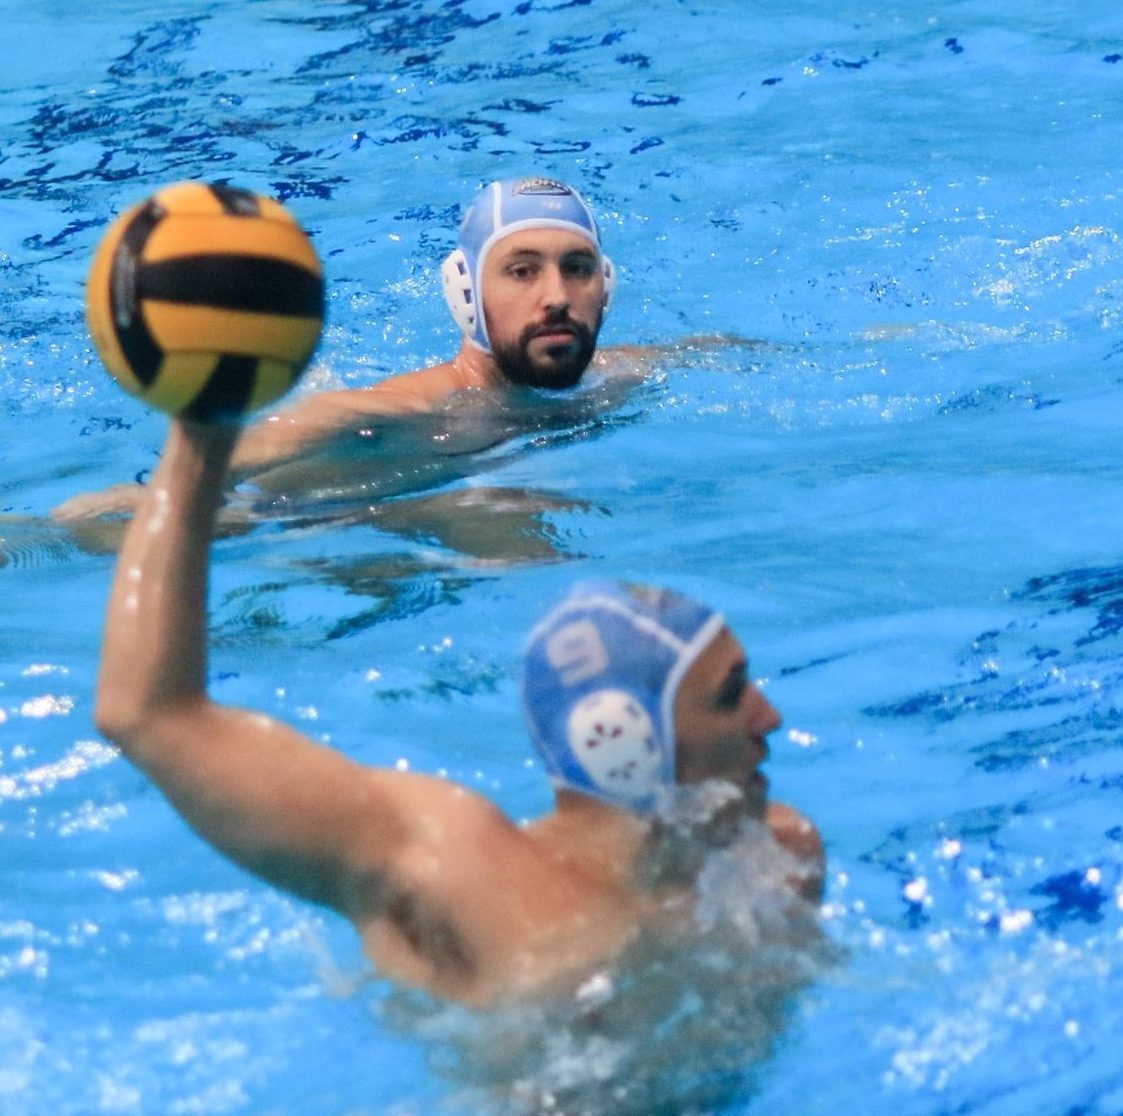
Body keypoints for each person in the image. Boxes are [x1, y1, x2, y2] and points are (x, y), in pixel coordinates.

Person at [93, 412, 825, 1007]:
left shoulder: (782, 862)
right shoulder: (460, 873)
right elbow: (150, 716)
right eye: (730, 694)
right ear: (620, 740)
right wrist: (200, 439)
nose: (770, 719)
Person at [49, 177, 721, 562]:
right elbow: (219, 467)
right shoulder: (401, 411)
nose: (555, 296)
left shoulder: (621, 378)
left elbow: (730, 353)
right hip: (289, 521)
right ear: (466, 294)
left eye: (576, 269)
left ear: (606, 287)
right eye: (521, 271)